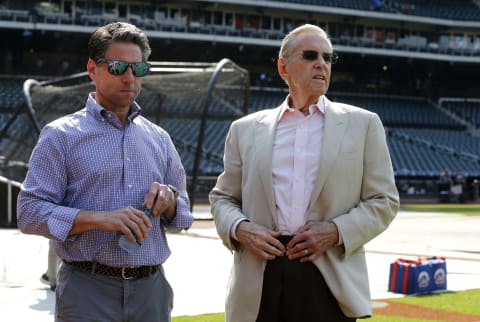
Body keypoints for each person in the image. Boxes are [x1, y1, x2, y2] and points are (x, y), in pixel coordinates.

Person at [209, 24, 399, 322]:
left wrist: (336, 231)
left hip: (328, 275)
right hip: (259, 277)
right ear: (283, 67)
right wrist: (241, 228)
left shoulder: (364, 124)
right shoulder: (244, 129)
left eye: (327, 57)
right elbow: (222, 199)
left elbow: (384, 200)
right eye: (310, 55)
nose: (322, 63)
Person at [17, 22, 194, 322]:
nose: (128, 77)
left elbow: (184, 212)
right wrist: (100, 219)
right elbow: (29, 212)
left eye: (137, 69)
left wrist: (171, 200)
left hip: (151, 290)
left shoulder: (160, 139)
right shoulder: (60, 135)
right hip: (88, 289)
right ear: (92, 69)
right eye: (117, 67)